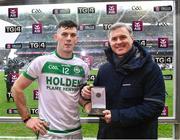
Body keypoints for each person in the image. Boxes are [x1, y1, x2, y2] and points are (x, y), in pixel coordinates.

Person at [81, 22, 165, 139]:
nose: (119, 42)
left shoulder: (150, 68)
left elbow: (154, 106)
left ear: (132, 38)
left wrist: (117, 116)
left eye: (123, 37)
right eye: (114, 39)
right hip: (107, 135)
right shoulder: (104, 70)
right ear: (109, 42)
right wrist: (86, 93)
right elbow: (97, 100)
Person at [11, 20, 89, 139]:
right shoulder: (41, 62)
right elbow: (17, 88)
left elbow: (77, 95)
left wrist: (87, 104)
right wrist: (27, 119)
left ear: (76, 39)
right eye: (64, 34)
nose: (68, 38)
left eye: (72, 35)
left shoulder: (83, 66)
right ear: (56, 37)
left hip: (75, 132)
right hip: (48, 132)